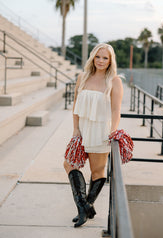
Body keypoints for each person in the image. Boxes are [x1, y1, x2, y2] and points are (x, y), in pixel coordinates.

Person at [64, 43, 123, 227]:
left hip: (101, 131)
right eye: (98, 57)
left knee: (97, 171)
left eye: (105, 58)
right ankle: (84, 206)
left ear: (110, 60)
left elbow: (116, 109)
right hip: (82, 129)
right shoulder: (82, 77)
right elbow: (75, 105)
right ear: (92, 57)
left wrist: (113, 131)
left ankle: (85, 208)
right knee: (69, 164)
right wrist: (75, 129)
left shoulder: (114, 81)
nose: (101, 61)